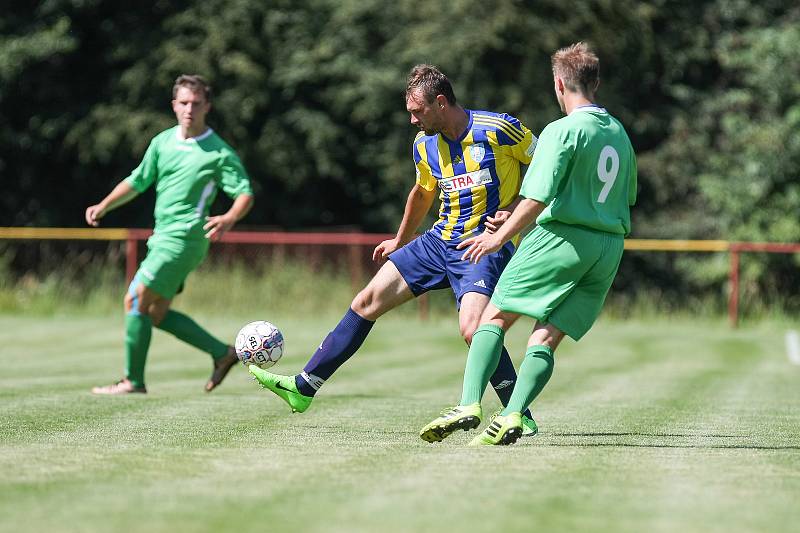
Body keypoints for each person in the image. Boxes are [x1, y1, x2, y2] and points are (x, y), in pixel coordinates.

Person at [249, 64, 539, 434]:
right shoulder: (424, 144)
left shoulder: (498, 129)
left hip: (482, 246)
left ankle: (520, 415)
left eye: (417, 112)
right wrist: (401, 239)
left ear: (440, 102)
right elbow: (422, 192)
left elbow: (549, 166)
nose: (413, 120)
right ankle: (304, 388)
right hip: (436, 242)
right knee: (366, 301)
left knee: (473, 330)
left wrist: (514, 213)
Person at [419, 42, 637, 445]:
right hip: (608, 248)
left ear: (559, 84)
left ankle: (469, 403)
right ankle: (515, 414)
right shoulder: (618, 132)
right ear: (596, 83)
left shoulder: (562, 129)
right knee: (546, 337)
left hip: (561, 238)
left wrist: (498, 236)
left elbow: (536, 197)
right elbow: (621, 195)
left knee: (493, 319)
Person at [86, 74, 254, 394]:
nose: (190, 109)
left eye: (196, 103)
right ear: (174, 105)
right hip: (163, 237)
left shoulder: (218, 152)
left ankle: (132, 381)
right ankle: (223, 353)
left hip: (185, 239)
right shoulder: (162, 142)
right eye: (184, 102)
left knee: (134, 299)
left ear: (208, 106)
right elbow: (138, 180)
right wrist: (105, 204)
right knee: (156, 313)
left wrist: (230, 217)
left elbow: (244, 192)